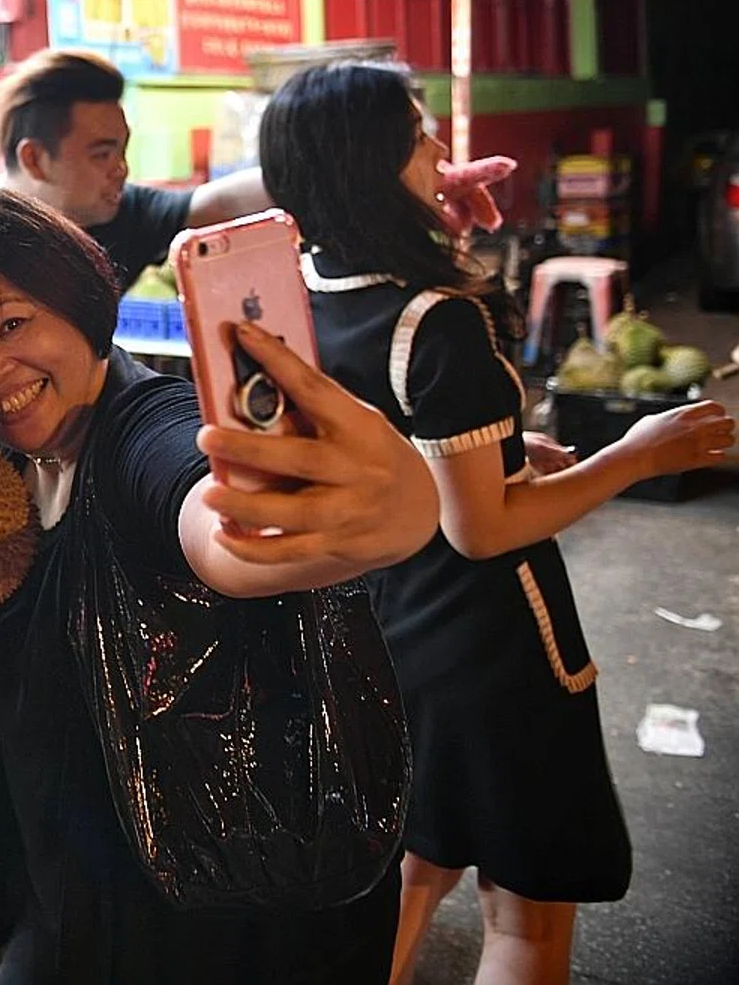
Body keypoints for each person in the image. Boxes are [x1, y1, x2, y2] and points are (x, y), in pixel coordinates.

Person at [0, 188, 442, 983]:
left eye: (12, 325)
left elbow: (218, 529)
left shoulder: (148, 431)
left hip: (209, 921)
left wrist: (386, 518)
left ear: (78, 302)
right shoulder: (1, 465)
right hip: (68, 894)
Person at [259, 62, 736, 985]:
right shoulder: (436, 319)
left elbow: (404, 444)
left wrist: (502, 449)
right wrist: (635, 455)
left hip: (386, 628)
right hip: (492, 647)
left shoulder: (306, 291)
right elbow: (482, 528)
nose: (441, 149)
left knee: (415, 866)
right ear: (370, 165)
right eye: (418, 136)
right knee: (524, 921)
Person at [0, 48, 271, 296]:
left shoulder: (119, 213)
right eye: (102, 155)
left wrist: (302, 172)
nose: (121, 169)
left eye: (122, 150)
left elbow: (219, 203)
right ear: (34, 159)